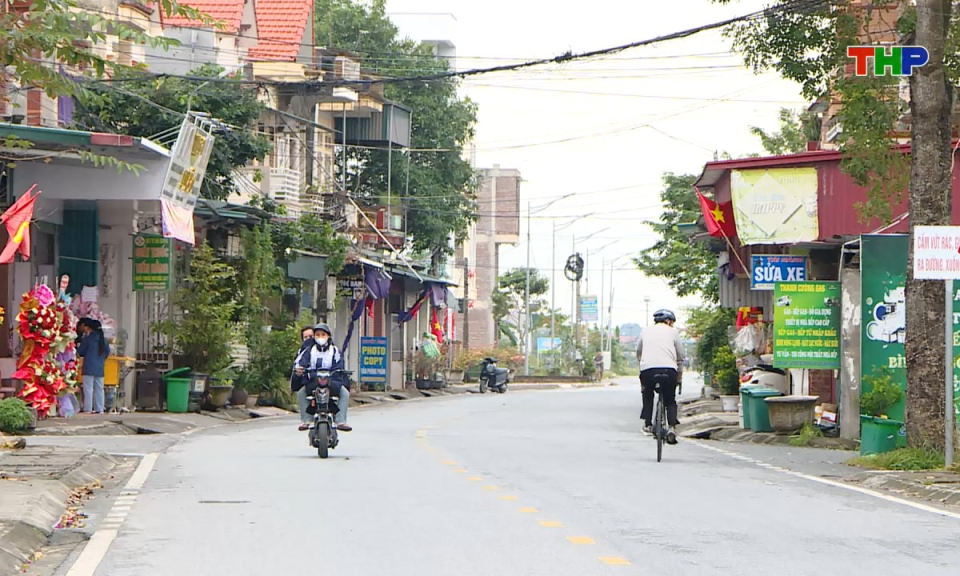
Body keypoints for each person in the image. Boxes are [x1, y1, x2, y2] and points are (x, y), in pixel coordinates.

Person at [636, 309, 685, 445]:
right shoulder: (673, 332)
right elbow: (680, 355)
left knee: (647, 393)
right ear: (668, 321)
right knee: (670, 399)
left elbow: (639, 352)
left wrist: (642, 364)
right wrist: (679, 377)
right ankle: (671, 428)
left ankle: (647, 423)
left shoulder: (645, 331)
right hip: (669, 370)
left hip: (648, 370)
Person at [294, 323, 351, 432]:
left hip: (332, 380)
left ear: (328, 336)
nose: (320, 337)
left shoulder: (335, 350)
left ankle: (340, 420)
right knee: (301, 393)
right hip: (313, 380)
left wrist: (336, 372)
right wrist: (300, 369)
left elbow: (339, 364)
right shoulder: (309, 350)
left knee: (345, 393)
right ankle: (306, 420)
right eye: (317, 335)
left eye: (323, 334)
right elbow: (300, 362)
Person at [77, 318, 109, 414]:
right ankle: (99, 408)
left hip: (88, 367)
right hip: (100, 367)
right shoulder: (104, 340)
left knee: (88, 389)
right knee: (99, 389)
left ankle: (88, 408)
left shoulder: (87, 339)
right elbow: (107, 352)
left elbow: (80, 352)